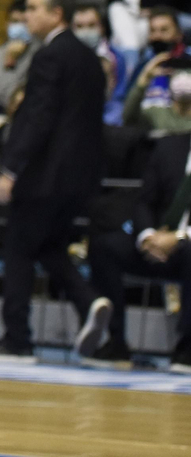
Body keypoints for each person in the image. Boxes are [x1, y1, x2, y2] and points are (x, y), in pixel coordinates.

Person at [0, 0, 112, 362]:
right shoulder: (89, 59)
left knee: (18, 249)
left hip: (45, 175)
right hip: (80, 178)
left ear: (56, 14)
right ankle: (88, 301)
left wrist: (11, 168)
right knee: (49, 246)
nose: (27, 15)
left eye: (35, 8)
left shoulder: (49, 56)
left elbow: (38, 118)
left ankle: (17, 339)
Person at [83, 129, 191, 371]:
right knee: (104, 247)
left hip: (186, 244)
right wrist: (147, 236)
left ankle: (188, 347)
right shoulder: (169, 147)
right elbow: (144, 201)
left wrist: (179, 237)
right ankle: (115, 342)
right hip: (156, 240)